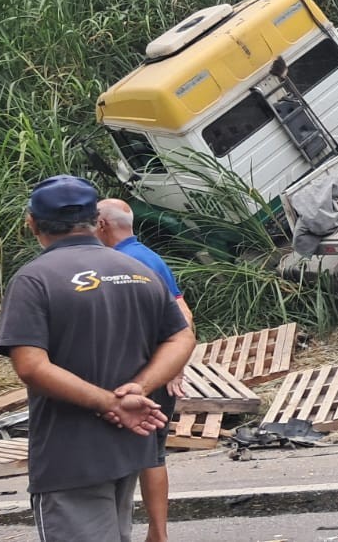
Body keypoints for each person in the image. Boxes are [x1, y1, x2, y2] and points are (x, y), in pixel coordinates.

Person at [0, 176, 194, 542]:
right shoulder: (138, 271)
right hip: (129, 446)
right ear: (94, 220)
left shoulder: (34, 280)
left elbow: (31, 367)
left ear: (32, 223)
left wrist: (109, 403)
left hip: (70, 456)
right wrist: (139, 388)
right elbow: (181, 335)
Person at [96, 198, 193, 542]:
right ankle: (156, 533)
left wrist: (171, 366)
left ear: (102, 225)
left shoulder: (120, 264)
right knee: (153, 455)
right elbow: (183, 313)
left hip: (141, 377)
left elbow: (182, 317)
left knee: (147, 455)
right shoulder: (149, 257)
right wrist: (175, 364)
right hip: (157, 373)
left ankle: (156, 534)